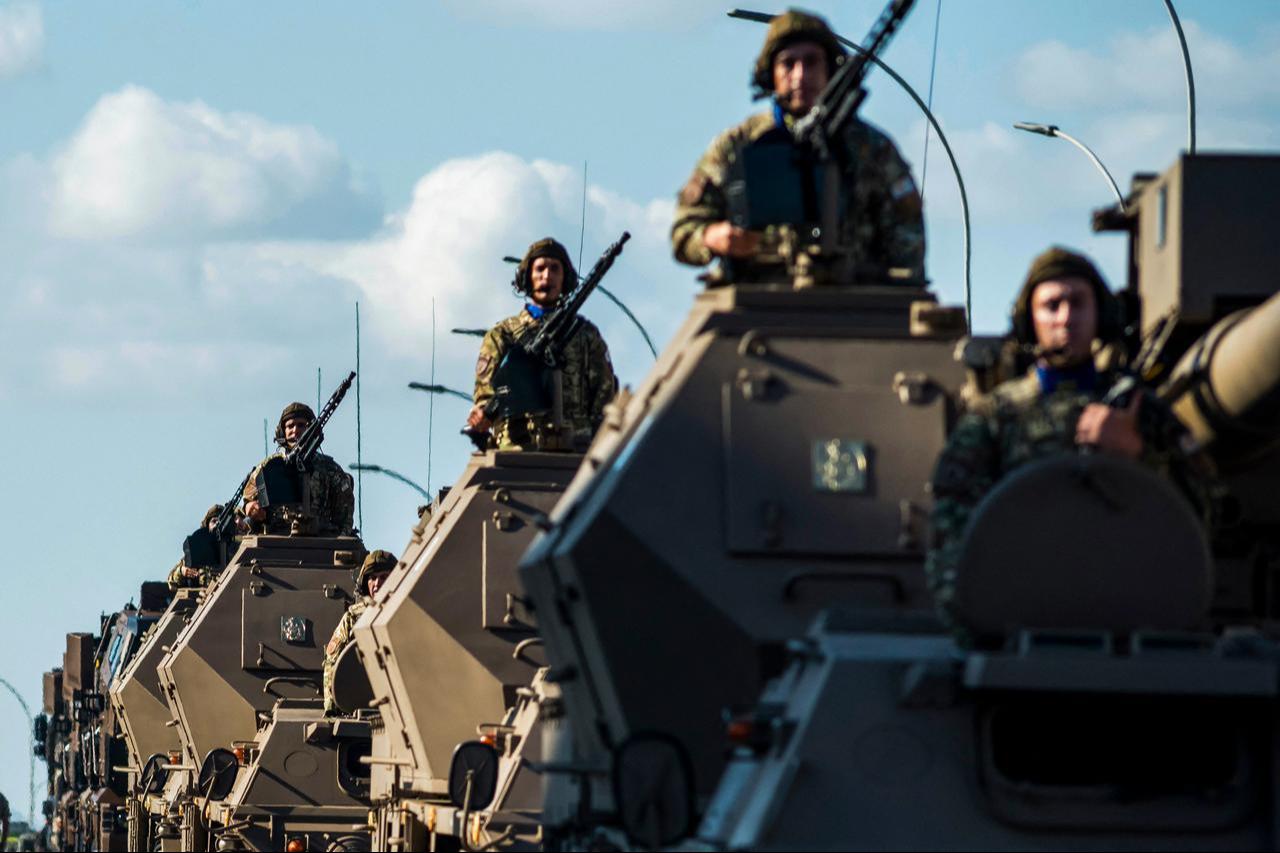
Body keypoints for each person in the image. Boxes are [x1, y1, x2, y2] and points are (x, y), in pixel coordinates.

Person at [925, 246, 1214, 623]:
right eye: (1052, 306)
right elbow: (952, 529)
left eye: (1078, 303)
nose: (1065, 318)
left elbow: (1205, 511)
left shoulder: (1139, 410)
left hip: (1128, 611)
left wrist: (1138, 455)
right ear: (1030, 319)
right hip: (1025, 614)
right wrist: (973, 623)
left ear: (1101, 315)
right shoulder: (996, 416)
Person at [670, 9, 924, 284]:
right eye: (788, 64)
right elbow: (684, 231)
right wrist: (715, 238)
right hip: (754, 303)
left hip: (853, 305)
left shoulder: (872, 150)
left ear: (830, 69)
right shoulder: (737, 147)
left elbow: (908, 244)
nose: (800, 76)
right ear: (771, 75)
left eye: (812, 62)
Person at [467, 238, 617, 450]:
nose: (547, 276)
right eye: (539, 269)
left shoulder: (585, 335)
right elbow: (486, 391)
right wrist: (482, 413)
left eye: (555, 269)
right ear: (526, 276)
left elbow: (604, 396)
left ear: (565, 277)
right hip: (517, 451)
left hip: (576, 452)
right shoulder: (503, 335)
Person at [242, 402, 355, 535]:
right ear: (282, 431)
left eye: (301, 425)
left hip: (320, 543)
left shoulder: (330, 469)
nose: (295, 430)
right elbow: (248, 500)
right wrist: (250, 507)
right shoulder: (269, 467)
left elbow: (344, 515)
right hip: (275, 542)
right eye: (290, 426)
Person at [322, 549, 396, 715]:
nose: (377, 583)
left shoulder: (404, 612)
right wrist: (331, 706)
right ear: (365, 582)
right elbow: (332, 661)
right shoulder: (353, 616)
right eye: (373, 578)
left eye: (384, 577)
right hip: (361, 702)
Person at [166, 504, 236, 590]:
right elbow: (171, 582)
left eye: (220, 522)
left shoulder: (234, 548)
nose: (217, 525)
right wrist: (182, 571)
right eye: (214, 521)